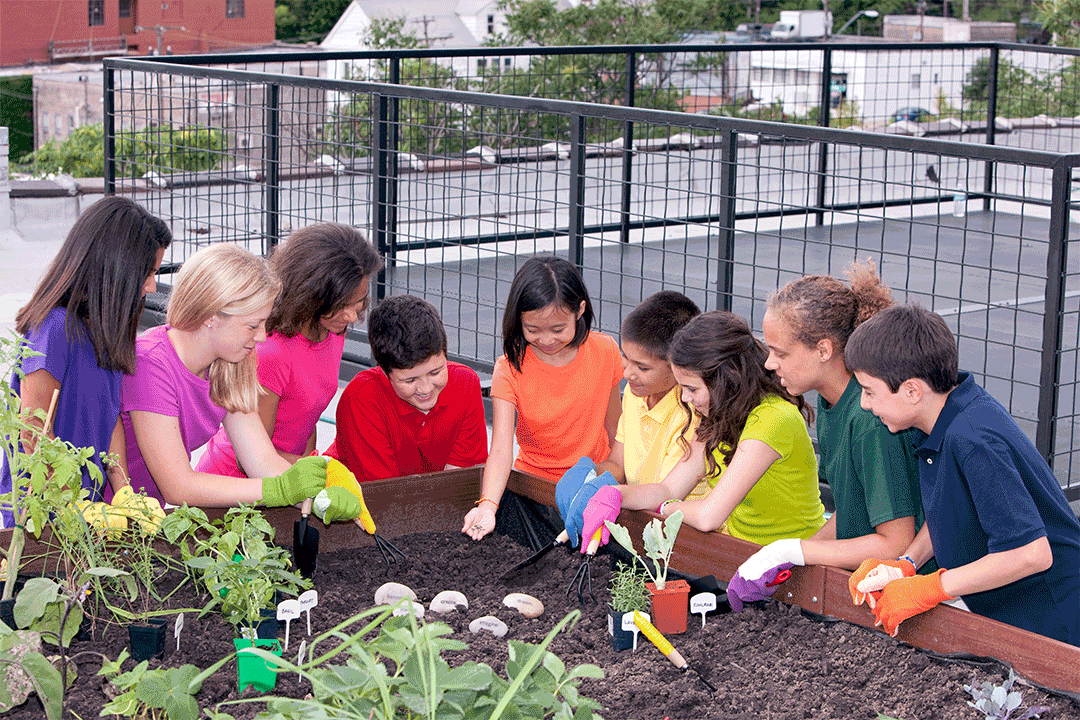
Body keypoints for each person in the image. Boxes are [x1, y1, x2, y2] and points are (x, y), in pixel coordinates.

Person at [843, 304, 1080, 645]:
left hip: (1055, 625)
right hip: (1013, 615)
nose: (865, 404)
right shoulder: (940, 416)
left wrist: (932, 587)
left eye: (869, 391)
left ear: (912, 390)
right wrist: (907, 563)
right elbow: (947, 504)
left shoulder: (972, 439)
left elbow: (1031, 553)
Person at [727, 263, 931, 609]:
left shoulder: (872, 420)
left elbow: (895, 543)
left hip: (918, 594)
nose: (769, 364)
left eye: (781, 352)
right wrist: (789, 558)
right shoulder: (831, 398)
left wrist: (793, 549)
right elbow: (855, 508)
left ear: (823, 350)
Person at [121, 243, 359, 521]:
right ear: (211, 315)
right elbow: (178, 486)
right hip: (105, 516)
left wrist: (319, 498)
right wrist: (278, 490)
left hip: (147, 514)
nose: (261, 336)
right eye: (252, 325)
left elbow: (261, 460)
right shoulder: (151, 364)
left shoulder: (231, 363)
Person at [579, 311, 826, 546]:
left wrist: (665, 507)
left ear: (727, 379)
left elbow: (709, 516)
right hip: (741, 550)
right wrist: (616, 494)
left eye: (692, 389)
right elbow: (667, 488)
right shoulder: (719, 415)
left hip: (790, 562)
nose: (685, 398)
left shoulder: (772, 419)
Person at [1, 197, 171, 527]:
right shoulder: (52, 328)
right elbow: (34, 430)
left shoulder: (104, 330)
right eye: (147, 273)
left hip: (84, 514)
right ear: (113, 268)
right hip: (40, 519)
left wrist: (123, 491)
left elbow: (109, 419)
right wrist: (73, 504)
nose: (151, 286)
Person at [196, 223, 381, 476]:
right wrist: (322, 473)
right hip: (240, 485)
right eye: (341, 305)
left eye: (359, 301)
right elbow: (251, 457)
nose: (351, 315)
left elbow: (306, 417)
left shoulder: (331, 327)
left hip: (290, 473)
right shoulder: (272, 352)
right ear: (309, 294)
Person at [462, 255, 622, 540]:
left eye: (558, 329)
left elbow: (616, 429)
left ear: (580, 310)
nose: (547, 340)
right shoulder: (509, 368)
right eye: (533, 330)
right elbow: (500, 449)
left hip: (593, 483)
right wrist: (487, 505)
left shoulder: (605, 350)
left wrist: (618, 478)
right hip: (535, 488)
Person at [327, 294, 488, 480]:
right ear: (387, 374)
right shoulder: (361, 398)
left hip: (426, 496)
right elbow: (383, 491)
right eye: (410, 381)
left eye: (435, 372)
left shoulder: (465, 383)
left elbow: (461, 479)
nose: (426, 388)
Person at [596, 291, 709, 500]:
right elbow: (617, 464)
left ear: (678, 366)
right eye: (625, 357)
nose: (627, 373)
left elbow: (664, 493)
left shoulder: (693, 410)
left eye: (642, 367)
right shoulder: (635, 391)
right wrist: (592, 477)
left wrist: (610, 496)